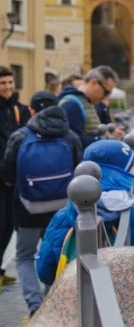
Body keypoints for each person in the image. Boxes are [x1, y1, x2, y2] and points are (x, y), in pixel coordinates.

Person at [36, 139, 134, 289]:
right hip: (124, 306)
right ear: (120, 174)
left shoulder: (63, 217)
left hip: (76, 305)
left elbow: (44, 272)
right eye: (131, 168)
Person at [2, 91, 81, 316]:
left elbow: (7, 175)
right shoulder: (69, 136)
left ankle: (34, 305)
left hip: (27, 208)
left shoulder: (20, 136)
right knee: (56, 255)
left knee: (25, 256)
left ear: (33, 111)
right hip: (61, 209)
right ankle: (51, 305)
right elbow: (80, 170)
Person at [0, 66, 29, 288]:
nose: (8, 87)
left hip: (13, 178)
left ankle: (0, 269)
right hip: (2, 178)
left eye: (10, 82)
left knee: (8, 225)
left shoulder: (19, 108)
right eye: (3, 83)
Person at [58, 66, 122, 150]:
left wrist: (108, 135)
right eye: (106, 92)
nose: (106, 96)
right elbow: (74, 142)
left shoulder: (86, 102)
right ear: (94, 82)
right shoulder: (71, 104)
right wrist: (106, 139)